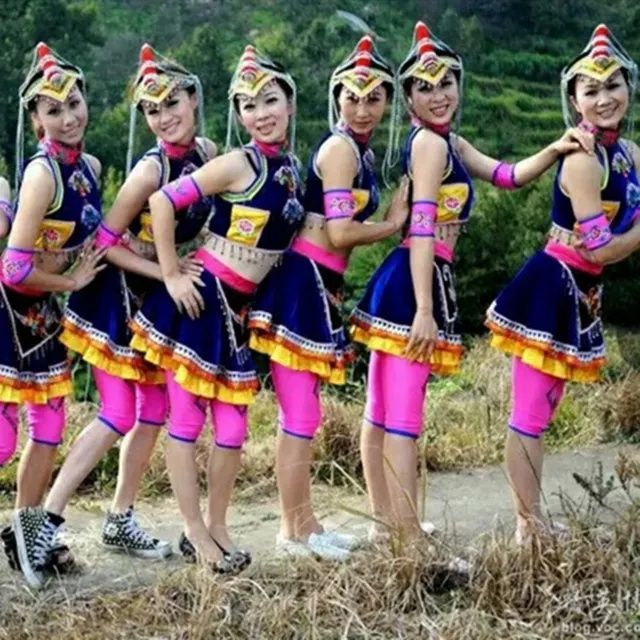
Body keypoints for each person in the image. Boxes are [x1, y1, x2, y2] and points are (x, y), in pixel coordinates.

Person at [351, 22, 594, 541]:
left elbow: (508, 175)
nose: (438, 95)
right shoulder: (430, 146)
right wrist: (423, 310)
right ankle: (407, 537)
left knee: (382, 408)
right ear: (409, 99)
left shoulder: (449, 142)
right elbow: (421, 229)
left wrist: (554, 149)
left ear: (458, 86)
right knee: (402, 416)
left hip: (412, 277)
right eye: (424, 87)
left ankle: (387, 525)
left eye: (446, 83)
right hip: (414, 281)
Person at [129, 44, 305, 570]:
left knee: (232, 430)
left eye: (270, 100)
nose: (261, 114)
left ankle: (219, 526)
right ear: (238, 114)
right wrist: (170, 272)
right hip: (198, 304)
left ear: (290, 102)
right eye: (249, 106)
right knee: (185, 421)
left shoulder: (291, 166)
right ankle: (193, 531)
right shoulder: (236, 162)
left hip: (236, 314)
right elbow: (162, 201)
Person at [38, 45, 215, 565]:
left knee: (154, 410)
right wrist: (167, 272)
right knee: (118, 412)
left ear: (193, 98)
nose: (164, 117)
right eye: (152, 110)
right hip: (111, 297)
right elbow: (105, 242)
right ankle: (45, 521)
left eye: (172, 103)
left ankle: (120, 517)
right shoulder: (149, 170)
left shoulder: (207, 153)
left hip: (154, 299)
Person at [248, 35, 407, 560]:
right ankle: (292, 532)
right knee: (299, 416)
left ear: (387, 101)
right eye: (352, 97)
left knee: (305, 414)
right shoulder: (339, 149)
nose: (362, 108)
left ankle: (306, 524)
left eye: (374, 98)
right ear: (336, 98)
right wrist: (392, 224)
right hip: (302, 282)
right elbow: (339, 233)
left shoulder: (360, 152)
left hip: (322, 286)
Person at [486, 24, 640, 544]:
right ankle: (526, 524)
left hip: (583, 291)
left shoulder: (628, 152)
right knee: (530, 411)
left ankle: (532, 516)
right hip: (553, 284)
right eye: (591, 90)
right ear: (574, 100)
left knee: (545, 408)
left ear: (629, 88)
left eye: (613, 85)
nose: (604, 98)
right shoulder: (581, 160)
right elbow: (598, 248)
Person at [6, 43, 105, 588]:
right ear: (36, 119)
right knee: (3, 439)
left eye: (74, 104)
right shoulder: (43, 174)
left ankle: (25, 533)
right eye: (53, 110)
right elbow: (13, 267)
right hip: (8, 311)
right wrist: (70, 283)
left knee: (48, 428)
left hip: (42, 316)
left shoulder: (90, 168)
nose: (68, 118)